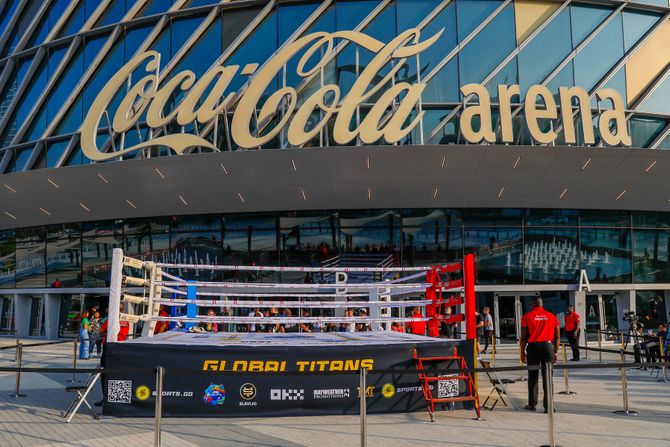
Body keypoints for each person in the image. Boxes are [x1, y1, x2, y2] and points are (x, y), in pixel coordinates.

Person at [520, 296, 560, 413]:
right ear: (542, 305)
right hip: (548, 347)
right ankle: (548, 406)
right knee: (548, 377)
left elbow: (523, 337)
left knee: (533, 376)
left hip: (533, 348)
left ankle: (532, 404)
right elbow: (557, 337)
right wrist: (556, 351)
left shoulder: (527, 316)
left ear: (532, 305)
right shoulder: (552, 316)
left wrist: (522, 352)